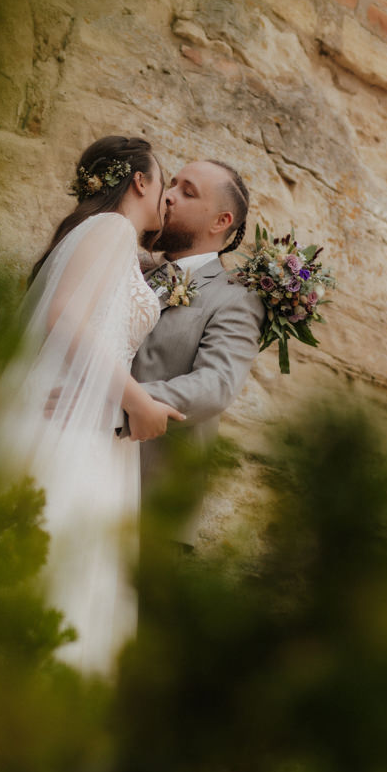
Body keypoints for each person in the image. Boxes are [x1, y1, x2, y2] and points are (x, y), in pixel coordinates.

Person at [0, 136, 184, 676]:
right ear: (140, 181)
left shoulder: (99, 233)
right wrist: (139, 401)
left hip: (92, 423)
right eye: (166, 182)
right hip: (76, 427)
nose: (167, 198)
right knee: (57, 565)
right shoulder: (113, 229)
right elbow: (64, 320)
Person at [132, 160, 266, 530]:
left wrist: (118, 398)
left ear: (220, 222)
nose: (168, 196)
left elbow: (215, 385)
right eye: (171, 184)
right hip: (86, 475)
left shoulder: (234, 300)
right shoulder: (133, 271)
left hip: (151, 502)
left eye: (186, 192)